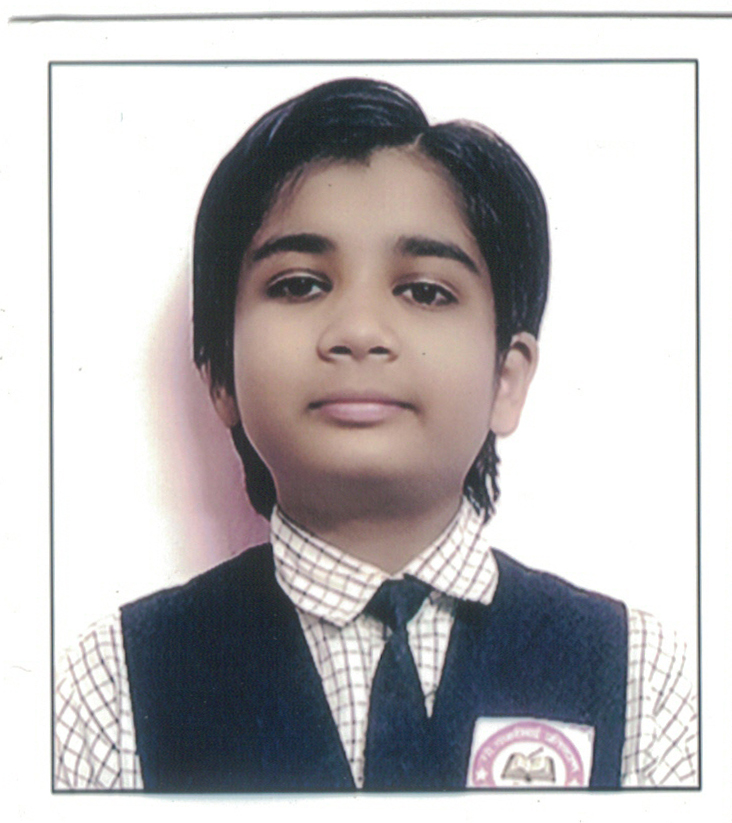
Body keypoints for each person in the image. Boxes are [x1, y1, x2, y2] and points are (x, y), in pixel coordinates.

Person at [54, 77, 697, 791]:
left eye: (424, 291)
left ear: (506, 379)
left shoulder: (637, 674)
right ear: (221, 377)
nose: (359, 332)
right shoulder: (117, 681)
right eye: (299, 284)